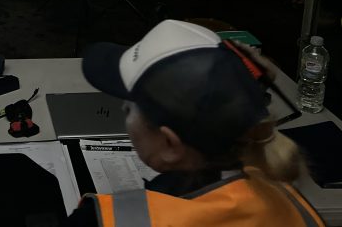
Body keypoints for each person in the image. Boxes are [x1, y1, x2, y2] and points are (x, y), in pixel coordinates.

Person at [66, 19, 323, 226]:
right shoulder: (282, 194)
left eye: (130, 106)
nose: (123, 108)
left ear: (170, 145)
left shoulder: (102, 220)